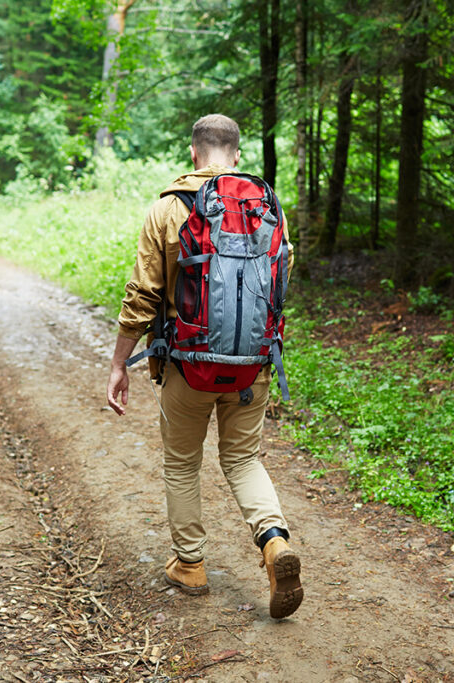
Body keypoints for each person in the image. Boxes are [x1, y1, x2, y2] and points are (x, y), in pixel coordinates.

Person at [106, 114, 302, 620]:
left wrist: (119, 363)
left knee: (181, 462)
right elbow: (281, 282)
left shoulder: (170, 207)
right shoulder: (268, 207)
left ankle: (190, 565)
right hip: (251, 368)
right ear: (235, 155)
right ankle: (275, 541)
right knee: (243, 459)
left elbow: (143, 293)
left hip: (187, 368)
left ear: (193, 153)